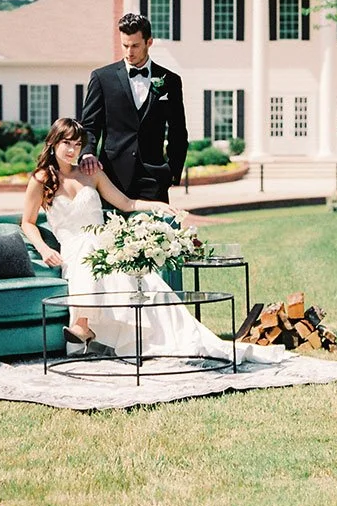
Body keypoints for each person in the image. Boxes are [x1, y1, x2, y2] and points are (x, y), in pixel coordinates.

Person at [22, 118, 288, 364]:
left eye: (78, 144)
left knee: (135, 273)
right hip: (73, 246)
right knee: (89, 251)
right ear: (53, 143)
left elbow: (125, 203)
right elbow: (28, 222)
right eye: (66, 143)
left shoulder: (91, 172)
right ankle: (84, 324)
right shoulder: (41, 179)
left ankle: (88, 326)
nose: (72, 150)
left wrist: (157, 206)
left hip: (104, 242)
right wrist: (44, 249)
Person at [78, 13, 187, 203]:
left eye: (135, 45)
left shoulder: (170, 81)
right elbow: (89, 125)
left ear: (149, 42)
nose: (129, 52)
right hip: (111, 178)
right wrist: (87, 152)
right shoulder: (102, 78)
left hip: (154, 178)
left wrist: (172, 172)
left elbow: (178, 131)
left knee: (157, 233)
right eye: (125, 45)